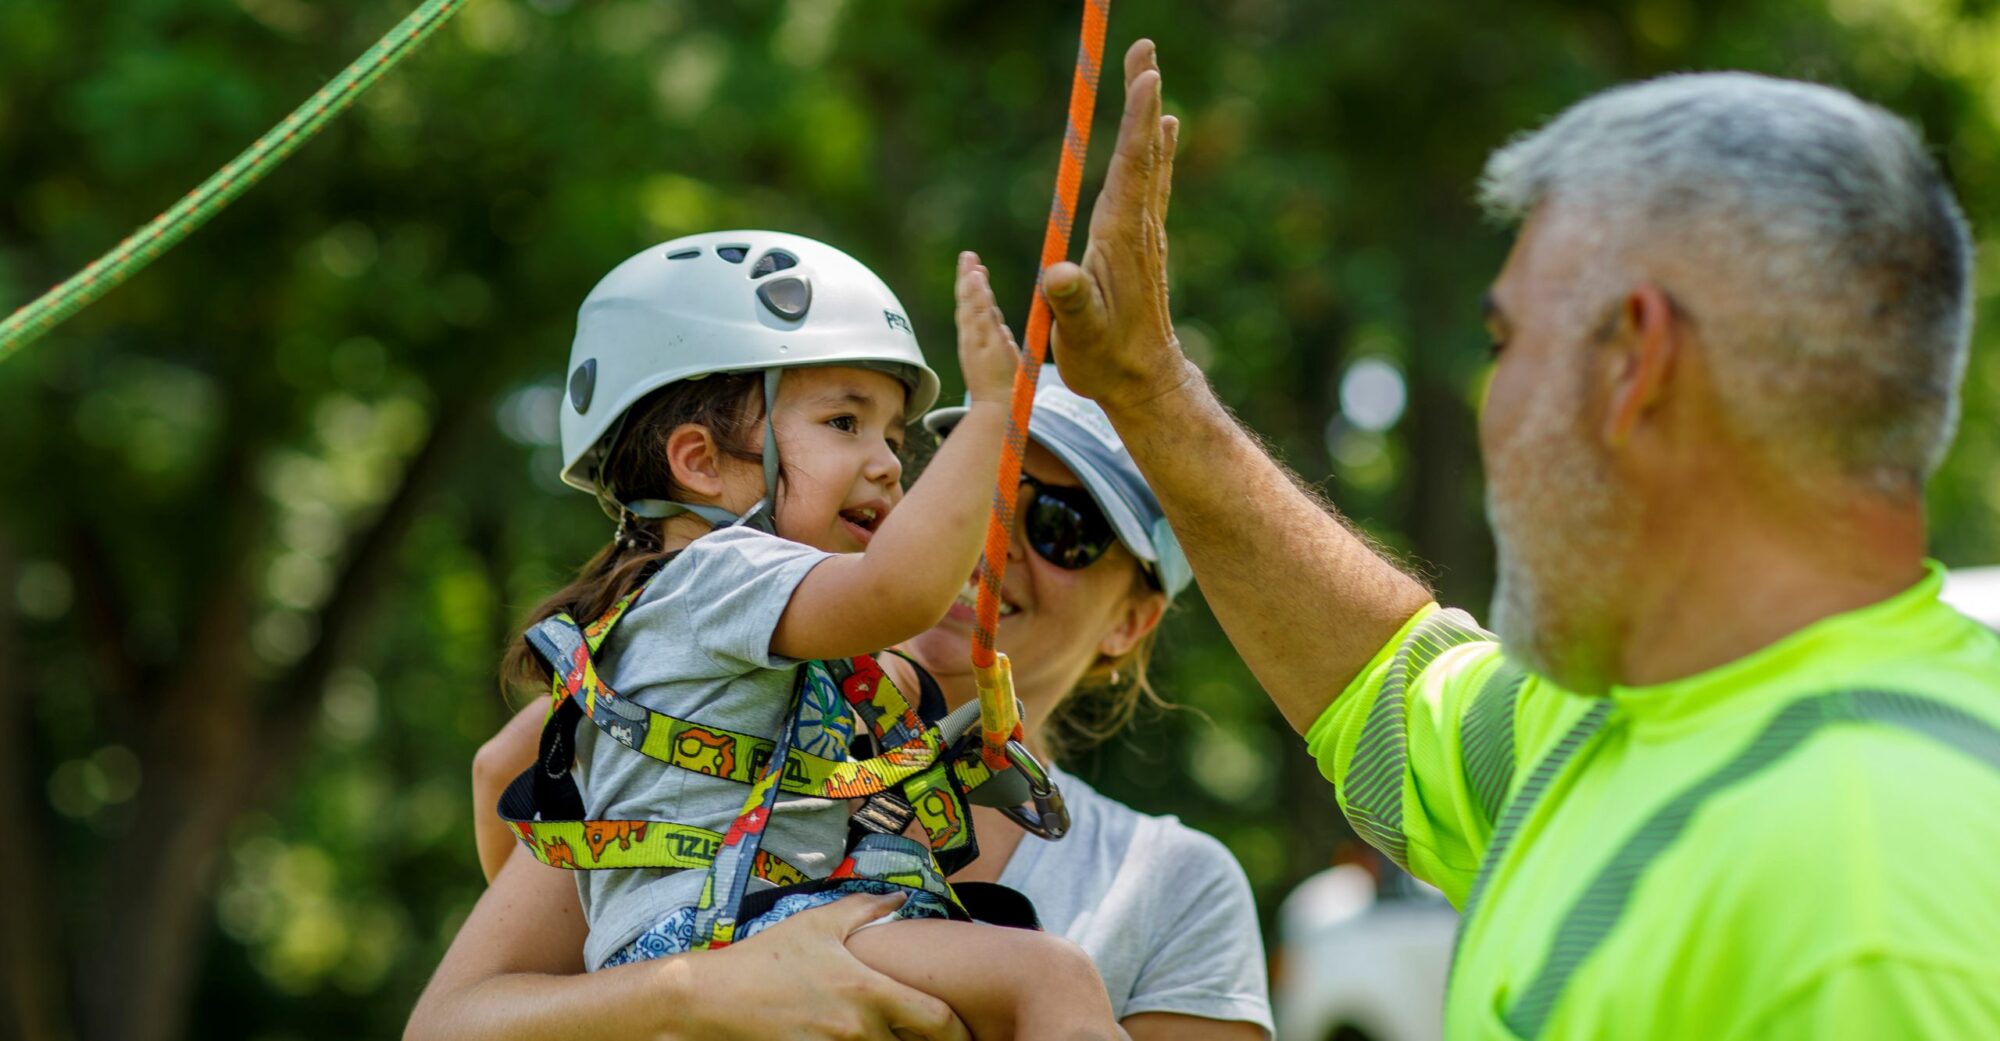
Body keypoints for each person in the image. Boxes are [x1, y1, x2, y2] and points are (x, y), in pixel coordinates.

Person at [1044, 40, 2000, 1040]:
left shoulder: (1870, 917)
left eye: (1505, 344)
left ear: (1633, 362)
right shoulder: (1619, 713)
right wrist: (1147, 391)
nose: (1488, 407)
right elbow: (1388, 695)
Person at [406, 241, 1273, 1040]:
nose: (985, 538)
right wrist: (692, 985)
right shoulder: (732, 596)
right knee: (1051, 980)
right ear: (701, 462)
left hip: (722, 910)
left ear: (1134, 617)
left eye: (1060, 525)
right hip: (730, 920)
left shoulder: (1166, 882)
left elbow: (500, 773)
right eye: (971, 490)